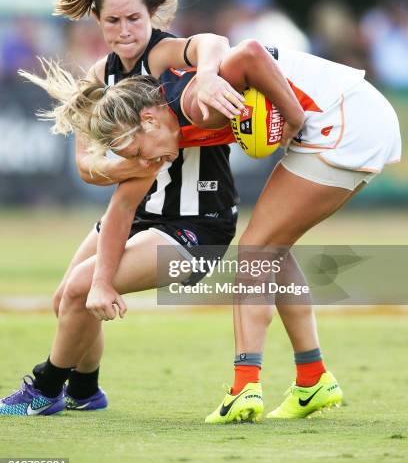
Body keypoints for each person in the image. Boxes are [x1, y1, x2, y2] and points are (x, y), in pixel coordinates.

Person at [8, 35, 401, 423]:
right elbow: (120, 203)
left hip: (344, 118)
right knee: (273, 248)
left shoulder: (192, 102)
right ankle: (313, 378)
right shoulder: (161, 127)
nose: (145, 162)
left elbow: (249, 52)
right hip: (352, 116)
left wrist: (295, 120)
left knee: (256, 250)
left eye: (136, 152)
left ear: (148, 120)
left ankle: (245, 386)